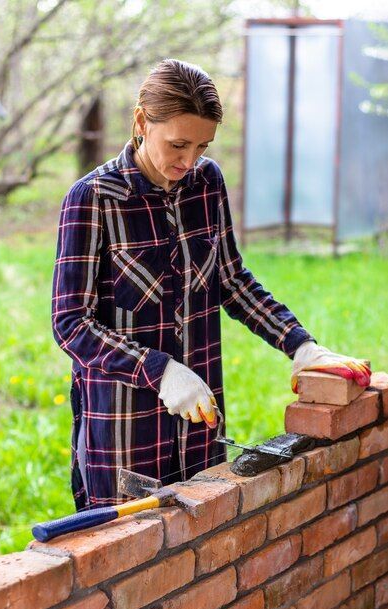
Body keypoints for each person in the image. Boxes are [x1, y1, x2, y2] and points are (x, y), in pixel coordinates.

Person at [51, 58, 371, 512]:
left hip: (199, 427)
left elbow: (231, 280)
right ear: (143, 122)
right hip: (124, 431)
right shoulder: (93, 199)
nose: (189, 160)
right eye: (178, 144)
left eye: (202, 146)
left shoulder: (206, 183)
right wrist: (159, 370)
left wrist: (301, 346)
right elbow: (70, 324)